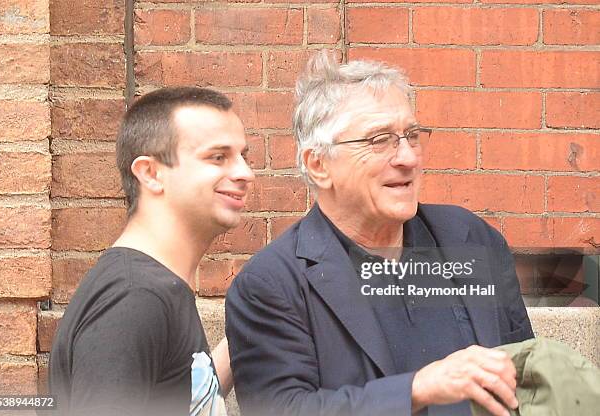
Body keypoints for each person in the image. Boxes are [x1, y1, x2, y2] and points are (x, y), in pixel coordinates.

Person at [225, 53, 534, 416]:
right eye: (379, 140)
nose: (408, 158)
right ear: (318, 165)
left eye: (412, 136)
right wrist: (417, 389)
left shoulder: (468, 237)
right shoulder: (274, 284)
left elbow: (526, 378)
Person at [49, 87, 254, 416]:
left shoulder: (156, 288)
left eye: (244, 156)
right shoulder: (134, 299)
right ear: (150, 173)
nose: (245, 172)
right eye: (218, 157)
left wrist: (247, 334)